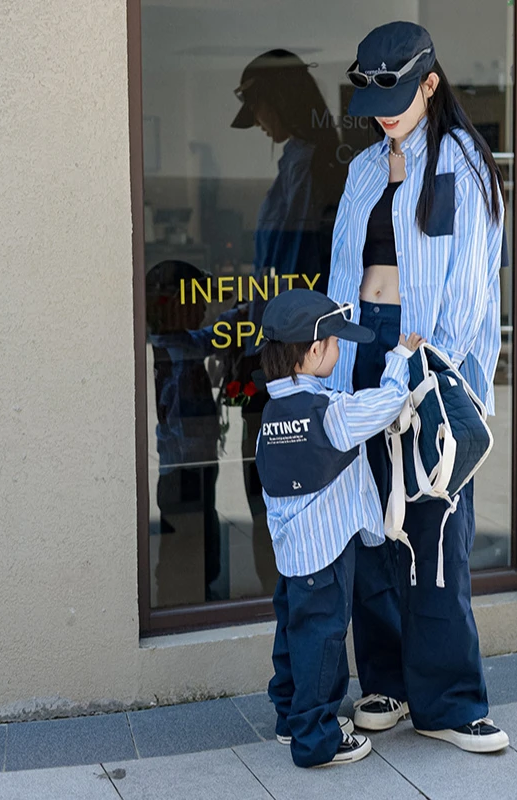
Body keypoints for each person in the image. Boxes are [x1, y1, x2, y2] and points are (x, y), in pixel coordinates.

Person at [327, 21, 510, 752]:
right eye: (375, 98)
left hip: (430, 359)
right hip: (364, 347)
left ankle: (452, 700)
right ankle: (387, 683)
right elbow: (344, 269)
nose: (385, 111)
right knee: (373, 519)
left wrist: (425, 365)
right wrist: (341, 362)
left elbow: (468, 290)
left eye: (399, 95)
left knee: (436, 522)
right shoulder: (366, 167)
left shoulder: (463, 163)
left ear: (431, 84)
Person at [254, 288, 424, 768]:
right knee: (324, 642)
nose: (338, 350)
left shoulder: (273, 412)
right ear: (312, 352)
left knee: (293, 633)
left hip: (292, 552)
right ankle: (316, 739)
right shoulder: (332, 413)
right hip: (326, 553)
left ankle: (291, 718)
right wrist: (400, 357)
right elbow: (388, 403)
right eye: (333, 344)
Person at [226, 49, 349, 595]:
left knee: (280, 490)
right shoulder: (294, 162)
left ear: (279, 102)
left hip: (293, 358)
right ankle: (283, 605)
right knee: (265, 488)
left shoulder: (318, 165)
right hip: (269, 345)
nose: (260, 126)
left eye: (260, 111)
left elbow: (303, 272)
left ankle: (294, 607)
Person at [146, 261, 222, 605]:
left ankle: (196, 590)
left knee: (200, 535)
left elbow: (207, 338)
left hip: (196, 466)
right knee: (185, 540)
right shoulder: (170, 349)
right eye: (198, 299)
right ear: (177, 305)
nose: (205, 307)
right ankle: (185, 598)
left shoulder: (181, 342)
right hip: (183, 470)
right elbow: (204, 342)